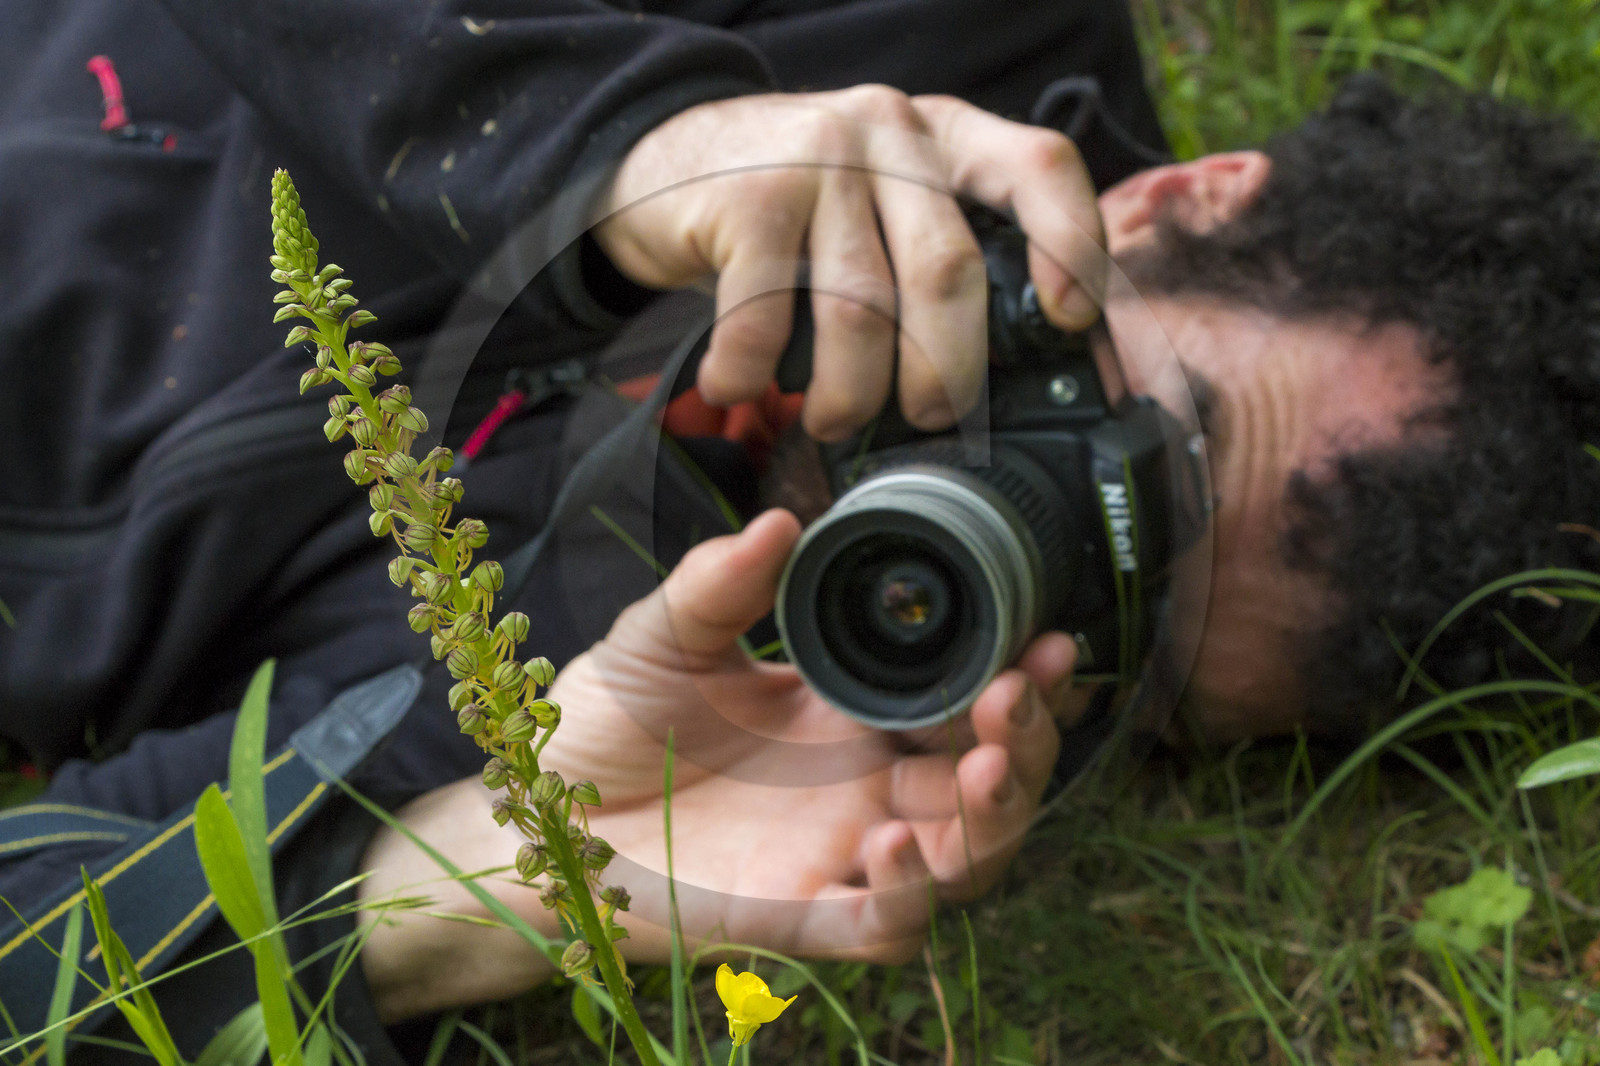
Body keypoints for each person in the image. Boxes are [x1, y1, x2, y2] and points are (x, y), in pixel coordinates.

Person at [1, 0, 1596, 1059]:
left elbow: (38, 952)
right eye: (1150, 453)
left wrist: (470, 869)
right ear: (1173, 204)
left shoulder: (617, 697)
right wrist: (626, 146)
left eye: (1130, 671)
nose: (1013, 557)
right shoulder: (948, 29)